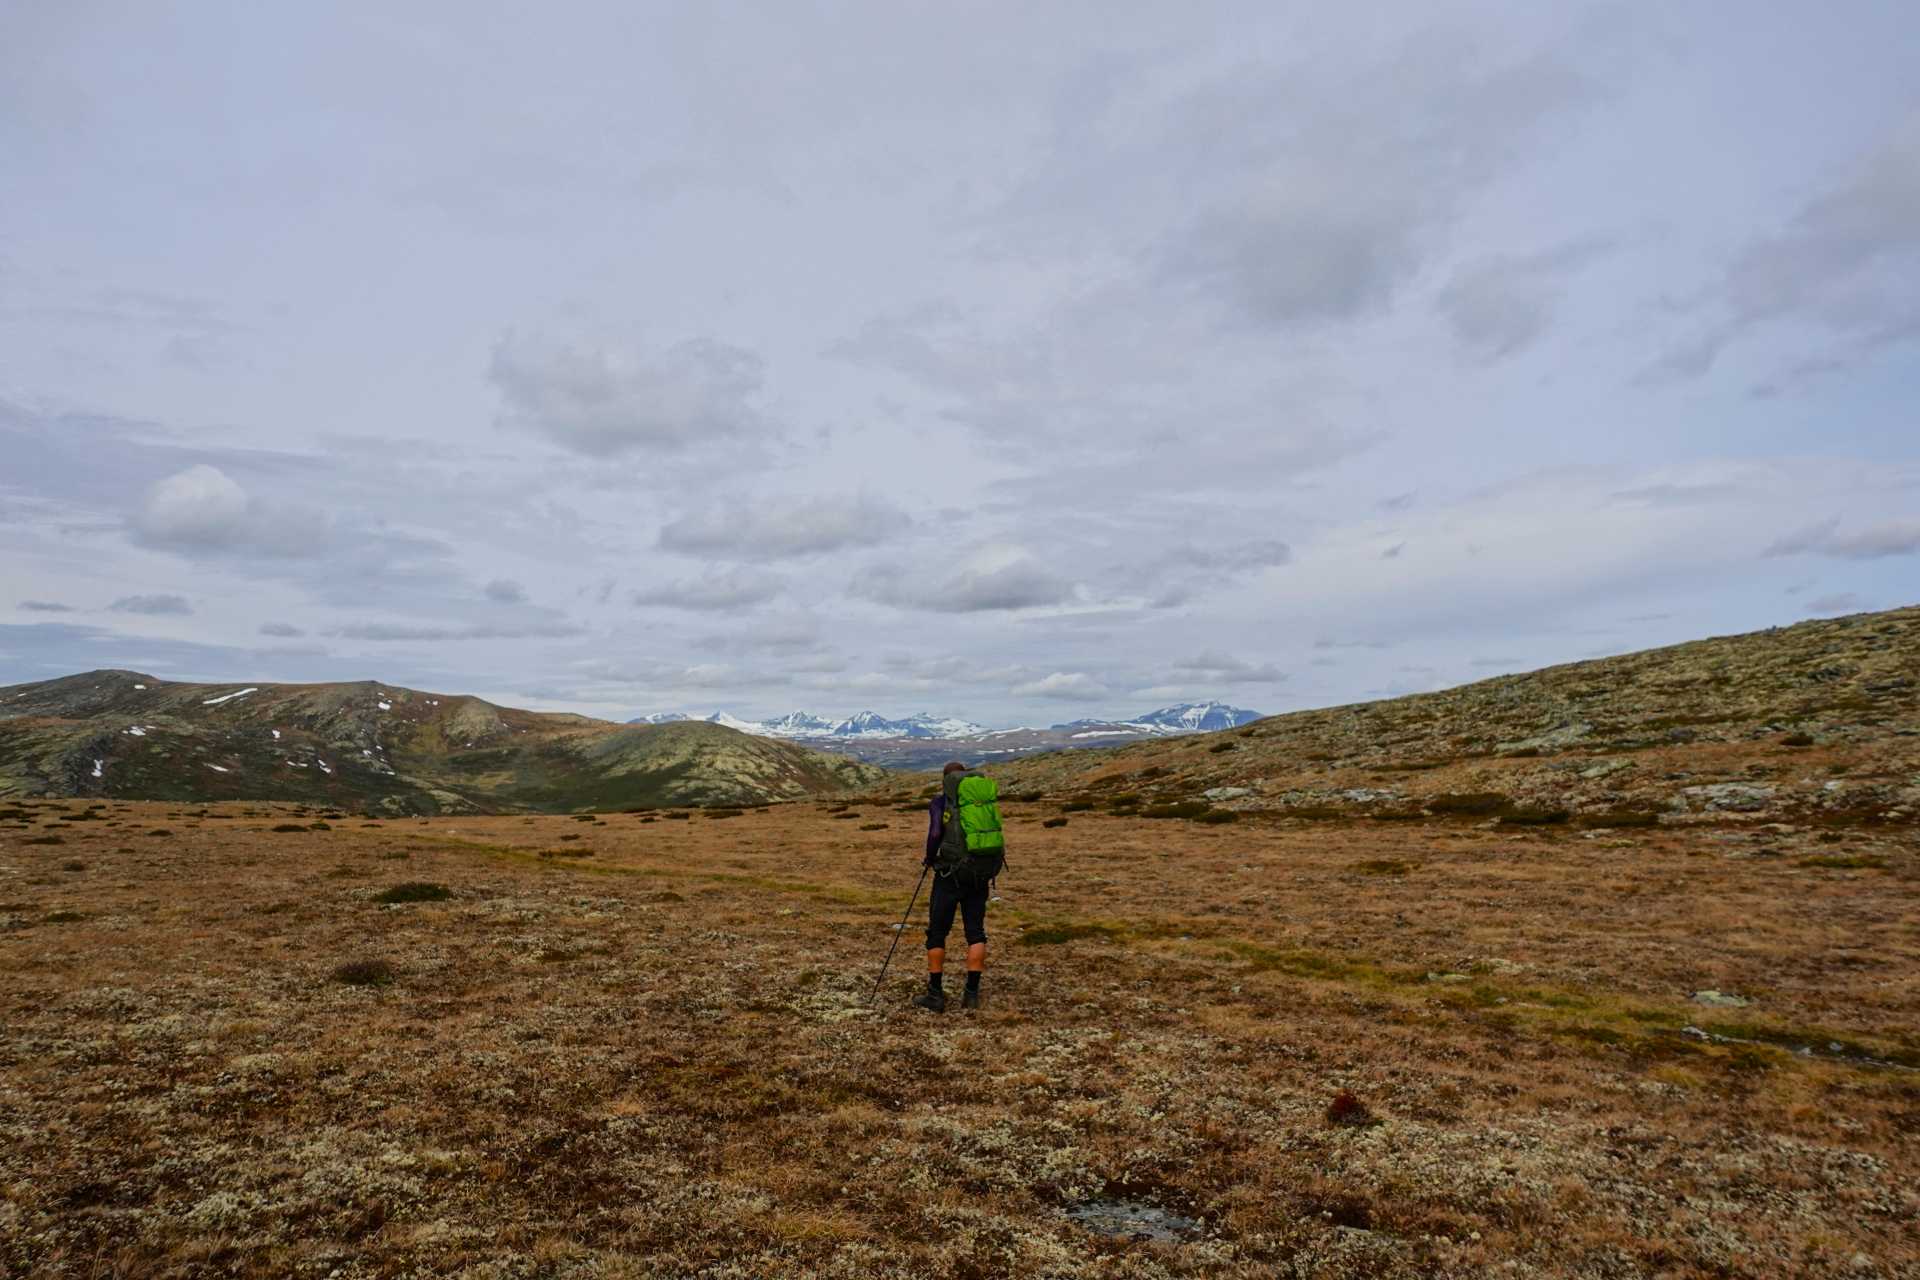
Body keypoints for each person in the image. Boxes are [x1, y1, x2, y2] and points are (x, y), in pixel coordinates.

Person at [914, 760, 1005, 1013]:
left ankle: (935, 994)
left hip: (949, 875)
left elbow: (934, 834)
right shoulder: (981, 802)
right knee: (975, 932)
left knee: (937, 932)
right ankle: (972, 994)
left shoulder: (940, 802)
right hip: (979, 874)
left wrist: (930, 859)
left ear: (945, 780)